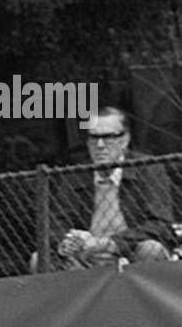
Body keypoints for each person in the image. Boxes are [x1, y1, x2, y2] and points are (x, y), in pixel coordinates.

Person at [42, 106, 177, 270]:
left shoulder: (147, 168)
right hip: (86, 255)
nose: (99, 145)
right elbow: (56, 223)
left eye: (108, 137)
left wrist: (111, 243)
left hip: (130, 252)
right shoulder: (75, 174)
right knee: (40, 259)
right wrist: (69, 241)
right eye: (94, 137)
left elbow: (160, 224)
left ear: (125, 140)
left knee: (151, 249)